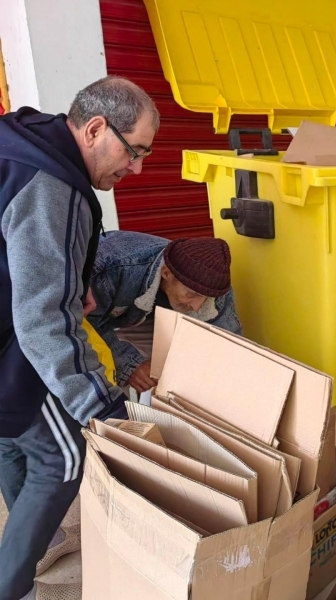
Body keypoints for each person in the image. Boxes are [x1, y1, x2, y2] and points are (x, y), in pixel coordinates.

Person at [0, 76, 158, 600]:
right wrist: (100, 406)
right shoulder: (54, 185)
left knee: (8, 437)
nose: (136, 169)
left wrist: (72, 275)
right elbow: (45, 320)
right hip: (7, 340)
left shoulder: (26, 139)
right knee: (63, 456)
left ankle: (33, 546)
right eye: (134, 151)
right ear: (95, 128)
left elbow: (24, 247)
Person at [88, 231, 242, 394]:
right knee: (119, 377)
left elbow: (228, 345)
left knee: (165, 374)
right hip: (99, 313)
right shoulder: (110, 267)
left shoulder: (212, 284)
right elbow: (86, 324)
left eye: (205, 297)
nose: (198, 306)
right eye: (192, 294)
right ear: (166, 273)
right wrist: (129, 364)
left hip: (147, 312)